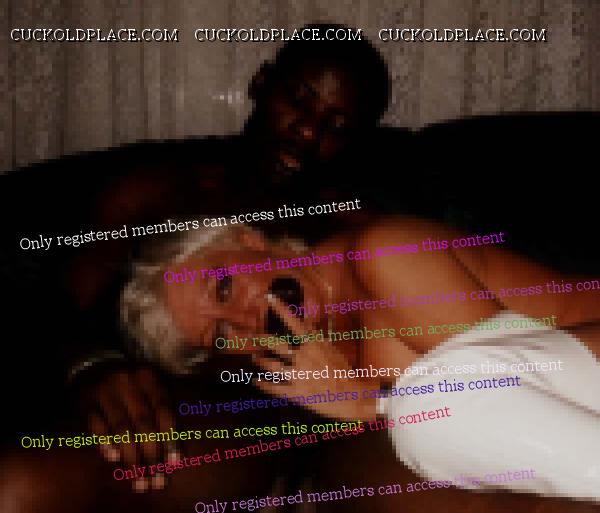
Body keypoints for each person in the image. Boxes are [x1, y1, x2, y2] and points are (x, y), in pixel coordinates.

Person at [0, 24, 399, 512]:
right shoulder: (158, 194)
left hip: (288, 430)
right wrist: (93, 365)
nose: (309, 131)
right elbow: (58, 300)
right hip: (161, 405)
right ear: (261, 84)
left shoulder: (350, 225)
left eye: (337, 127)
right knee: (20, 484)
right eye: (299, 100)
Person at [116, 216, 600, 511]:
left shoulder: (380, 255)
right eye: (221, 336)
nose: (245, 319)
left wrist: (371, 404)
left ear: (250, 241)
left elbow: (519, 385)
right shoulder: (310, 361)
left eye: (224, 286)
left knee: (427, 417)